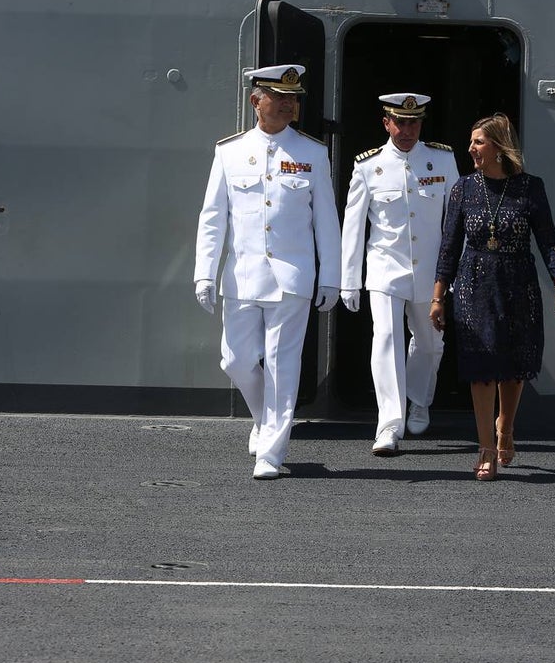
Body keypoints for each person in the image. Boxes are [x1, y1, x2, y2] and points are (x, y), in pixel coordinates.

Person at [194, 64, 341, 480]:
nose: (290, 105)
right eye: (281, 97)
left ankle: (271, 452)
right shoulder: (230, 151)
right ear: (257, 100)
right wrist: (205, 272)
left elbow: (325, 220)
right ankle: (266, 420)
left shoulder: (312, 153)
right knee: (235, 360)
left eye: (294, 98)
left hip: (292, 277)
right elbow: (212, 217)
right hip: (242, 276)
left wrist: (331, 274)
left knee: (282, 364)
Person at [430, 113, 555, 481]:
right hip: (475, 285)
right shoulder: (463, 188)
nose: (471, 148)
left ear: (498, 146)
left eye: (478, 142)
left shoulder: (530, 187)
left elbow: (548, 237)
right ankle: (486, 448)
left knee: (513, 366)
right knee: (481, 369)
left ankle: (505, 429)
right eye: (471, 142)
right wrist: (437, 296)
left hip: (518, 283)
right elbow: (448, 247)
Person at [340, 93, 459, 456]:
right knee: (387, 340)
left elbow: (457, 220)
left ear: (421, 123)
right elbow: (354, 226)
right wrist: (349, 279)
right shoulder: (368, 166)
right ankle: (389, 424)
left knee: (429, 343)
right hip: (384, 270)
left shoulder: (441, 158)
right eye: (400, 122)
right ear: (386, 123)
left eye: (414, 122)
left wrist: (456, 271)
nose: (407, 130)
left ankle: (419, 399)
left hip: (431, 272)